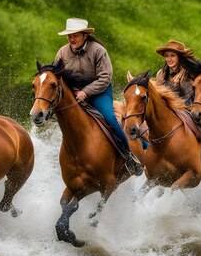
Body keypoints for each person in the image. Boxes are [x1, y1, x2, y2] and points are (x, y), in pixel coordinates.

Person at [55, 18, 143, 176]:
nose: (72, 39)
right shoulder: (62, 52)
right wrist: (74, 91)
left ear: (84, 35)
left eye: (75, 35)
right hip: (75, 93)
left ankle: (129, 157)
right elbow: (57, 77)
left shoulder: (98, 50)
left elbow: (105, 78)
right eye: (69, 36)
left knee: (109, 118)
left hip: (99, 91)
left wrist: (85, 92)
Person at [155, 40, 197, 105]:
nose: (169, 59)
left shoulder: (189, 73)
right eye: (166, 56)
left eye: (172, 55)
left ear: (180, 57)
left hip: (188, 108)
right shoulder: (161, 73)